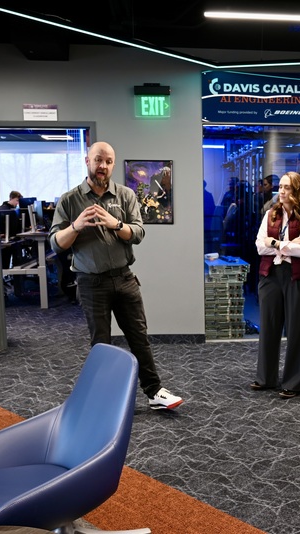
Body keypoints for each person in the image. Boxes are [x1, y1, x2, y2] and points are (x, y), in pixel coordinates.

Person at [49, 141, 182, 410]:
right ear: (87, 160)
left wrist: (115, 224)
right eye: (98, 160)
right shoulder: (70, 199)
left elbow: (138, 233)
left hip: (124, 278)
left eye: (109, 161)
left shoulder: (125, 195)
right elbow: (55, 243)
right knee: (101, 344)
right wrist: (76, 226)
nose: (103, 166)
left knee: (139, 338)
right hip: (91, 282)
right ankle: (103, 398)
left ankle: (154, 392)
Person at [251, 171, 300, 398]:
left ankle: (294, 382)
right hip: (270, 274)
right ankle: (266, 378)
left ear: (297, 190)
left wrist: (277, 243)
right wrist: (287, 244)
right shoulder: (270, 214)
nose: (281, 191)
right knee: (269, 327)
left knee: (297, 329)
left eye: (287, 187)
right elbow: (260, 246)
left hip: (298, 276)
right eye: (280, 186)